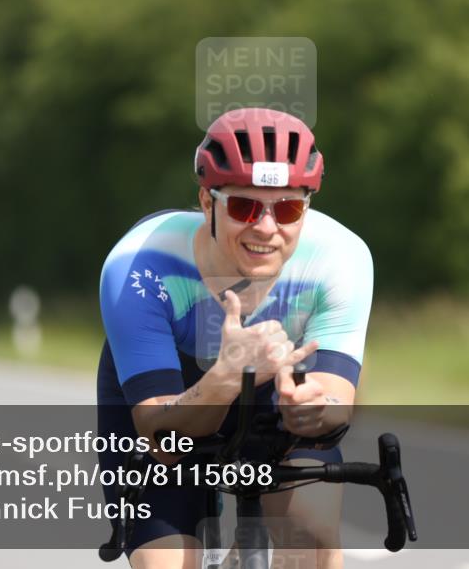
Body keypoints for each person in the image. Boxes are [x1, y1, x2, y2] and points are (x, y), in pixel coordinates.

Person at [97, 108, 374, 569]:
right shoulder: (138, 266)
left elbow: (336, 404)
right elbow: (159, 434)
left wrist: (308, 407)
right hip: (174, 397)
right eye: (245, 207)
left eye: (287, 208)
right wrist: (225, 376)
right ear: (208, 203)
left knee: (311, 543)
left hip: (276, 393)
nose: (266, 228)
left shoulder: (340, 260)